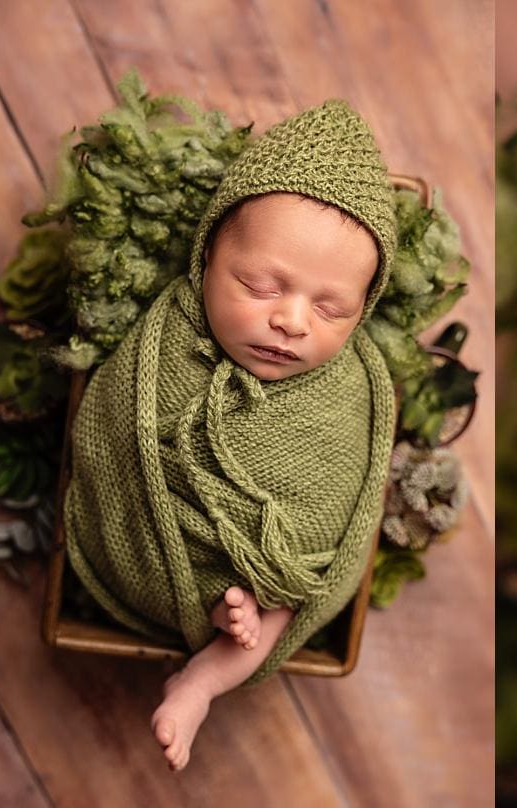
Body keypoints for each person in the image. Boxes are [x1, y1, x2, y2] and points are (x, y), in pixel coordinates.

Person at [62, 99, 398, 772]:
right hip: (147, 552)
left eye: (332, 307)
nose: (292, 321)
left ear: (364, 310)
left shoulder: (352, 387)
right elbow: (108, 433)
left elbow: (346, 496)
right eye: (261, 285)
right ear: (208, 256)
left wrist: (284, 566)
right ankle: (219, 610)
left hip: (278, 584)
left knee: (288, 598)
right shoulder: (166, 339)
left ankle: (208, 675)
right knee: (245, 589)